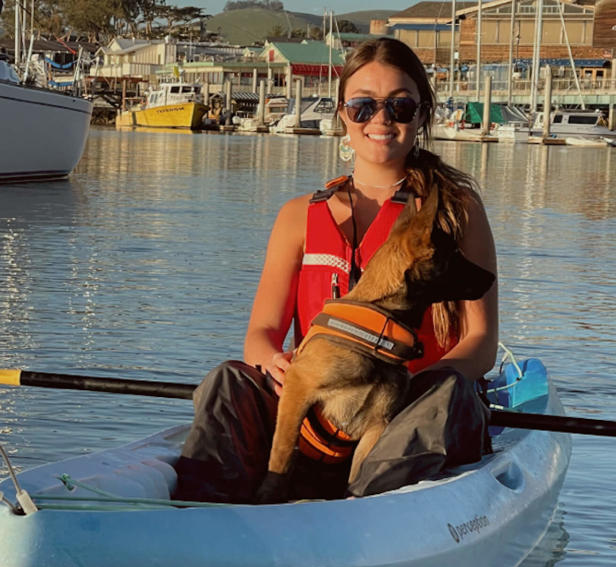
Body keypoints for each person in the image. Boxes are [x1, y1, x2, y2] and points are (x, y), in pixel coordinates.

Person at [174, 37, 499, 504]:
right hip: (317, 414)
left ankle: (366, 508)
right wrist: (274, 362)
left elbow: (481, 345)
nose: (381, 119)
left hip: (409, 414)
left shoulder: (456, 211)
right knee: (230, 379)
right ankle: (198, 510)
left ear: (423, 113)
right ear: (343, 115)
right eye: (363, 106)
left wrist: (412, 387)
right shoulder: (297, 215)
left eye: (400, 106)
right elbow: (262, 333)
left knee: (449, 391)